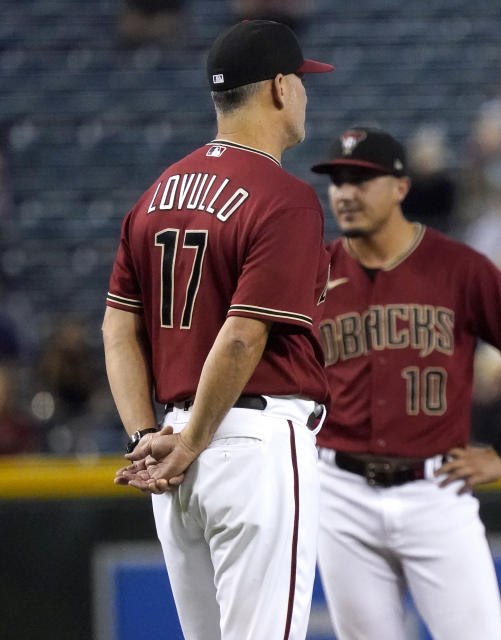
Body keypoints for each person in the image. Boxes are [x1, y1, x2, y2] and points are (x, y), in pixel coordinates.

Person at [103, 20, 334, 640]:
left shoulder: (154, 194)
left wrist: (149, 433)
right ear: (281, 88)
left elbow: (118, 328)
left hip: (175, 449)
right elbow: (241, 337)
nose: (307, 96)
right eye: (304, 83)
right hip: (246, 442)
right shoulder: (284, 198)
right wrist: (193, 440)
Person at [309, 126, 501, 640]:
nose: (345, 193)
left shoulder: (457, 266)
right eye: (337, 180)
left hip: (436, 487)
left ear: (401, 187)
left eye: (361, 180)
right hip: (338, 491)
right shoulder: (313, 270)